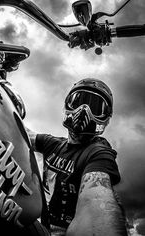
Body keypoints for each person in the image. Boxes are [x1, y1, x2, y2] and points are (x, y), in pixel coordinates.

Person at [26, 78, 128, 236]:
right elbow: (23, 133)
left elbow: (97, 205)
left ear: (105, 118)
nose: (83, 111)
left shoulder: (99, 153)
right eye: (78, 101)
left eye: (95, 107)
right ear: (67, 105)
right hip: (43, 226)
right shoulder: (53, 144)